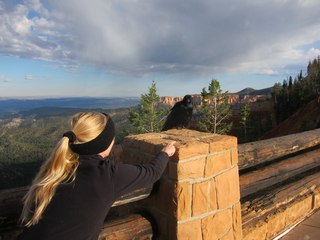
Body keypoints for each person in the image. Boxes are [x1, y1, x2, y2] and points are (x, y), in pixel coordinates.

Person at [17, 112, 176, 240]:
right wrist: (165, 153)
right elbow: (152, 173)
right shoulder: (106, 176)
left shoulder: (59, 167)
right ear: (105, 143)